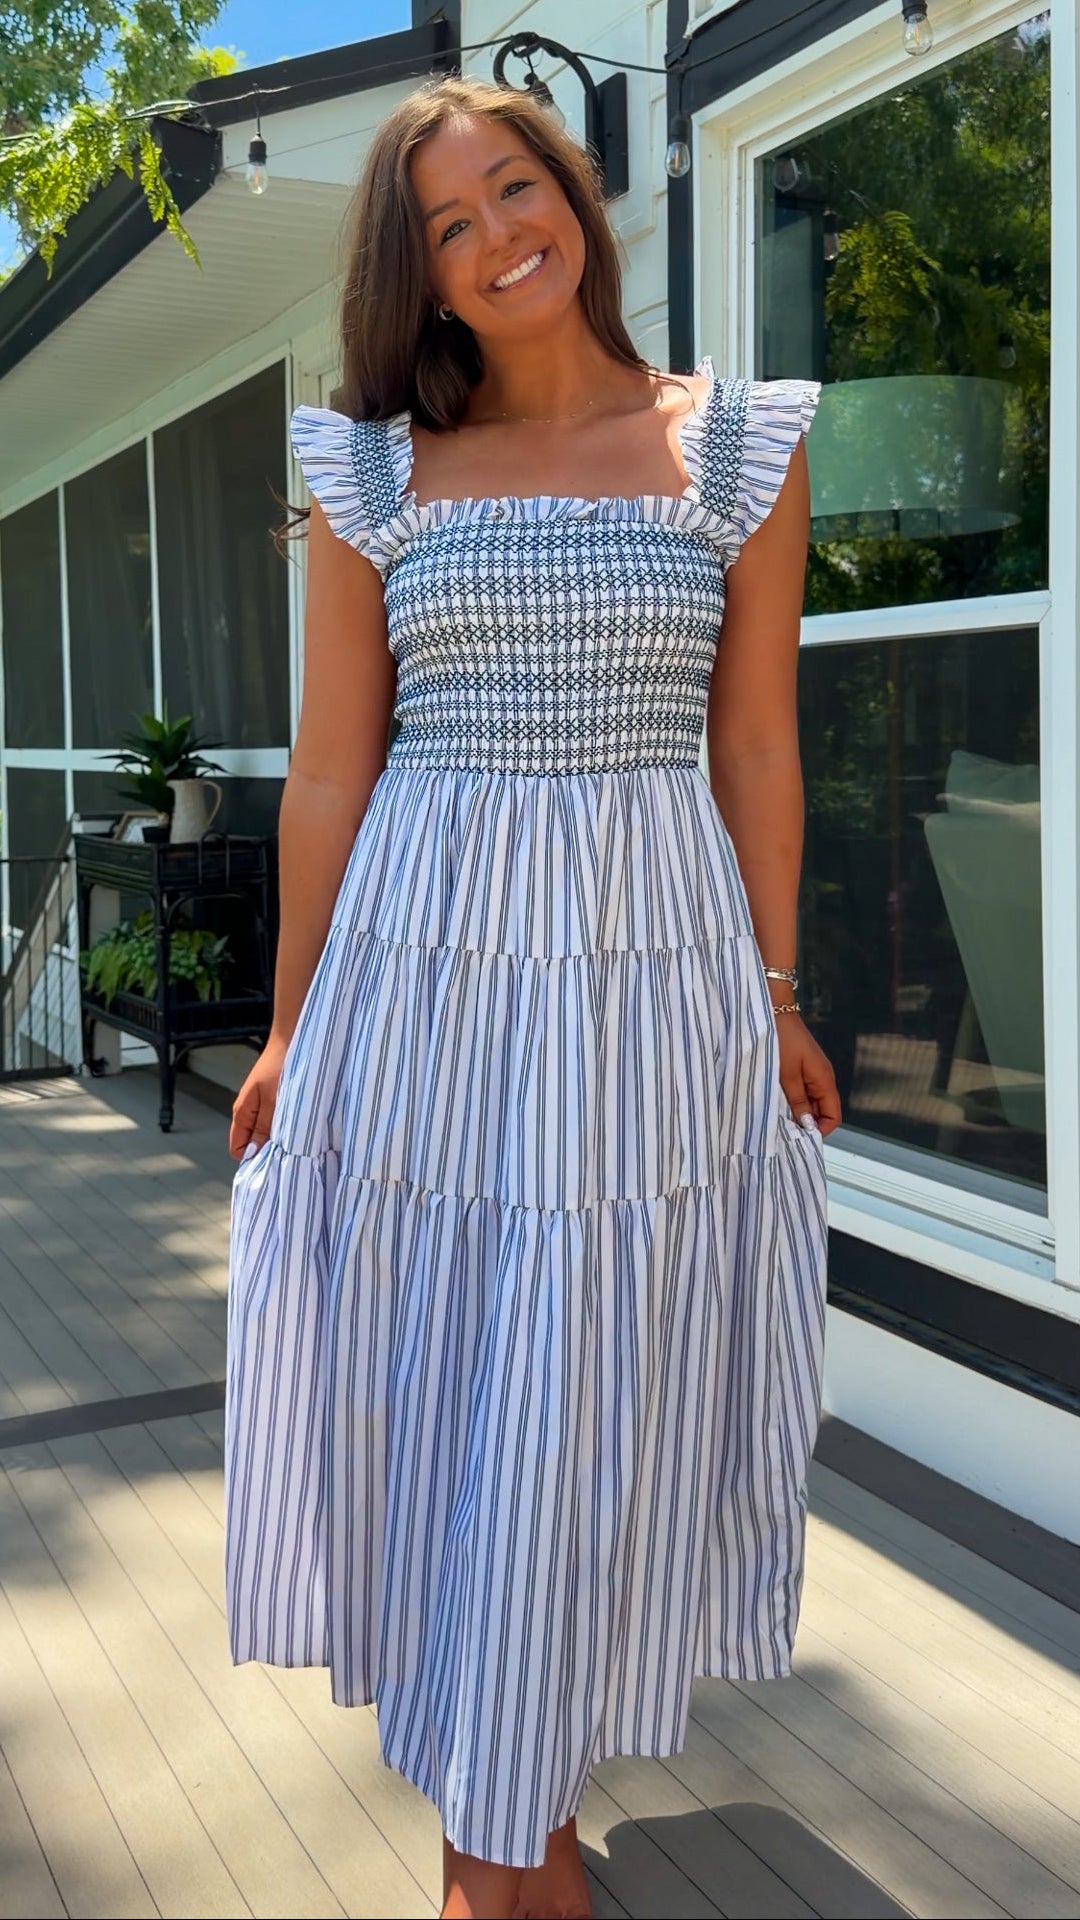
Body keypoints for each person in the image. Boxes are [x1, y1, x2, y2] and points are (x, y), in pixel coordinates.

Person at [225, 73, 841, 1920]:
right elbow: (332, 768)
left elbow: (754, 738)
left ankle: (505, 1854)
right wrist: (284, 1023)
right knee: (453, 1389)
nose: (502, 236)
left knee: (589, 1382)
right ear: (415, 279)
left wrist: (783, 988)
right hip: (428, 973)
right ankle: (514, 1856)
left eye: (520, 188)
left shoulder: (735, 446)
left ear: (577, 192)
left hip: (648, 975)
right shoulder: (376, 471)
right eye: (451, 224)